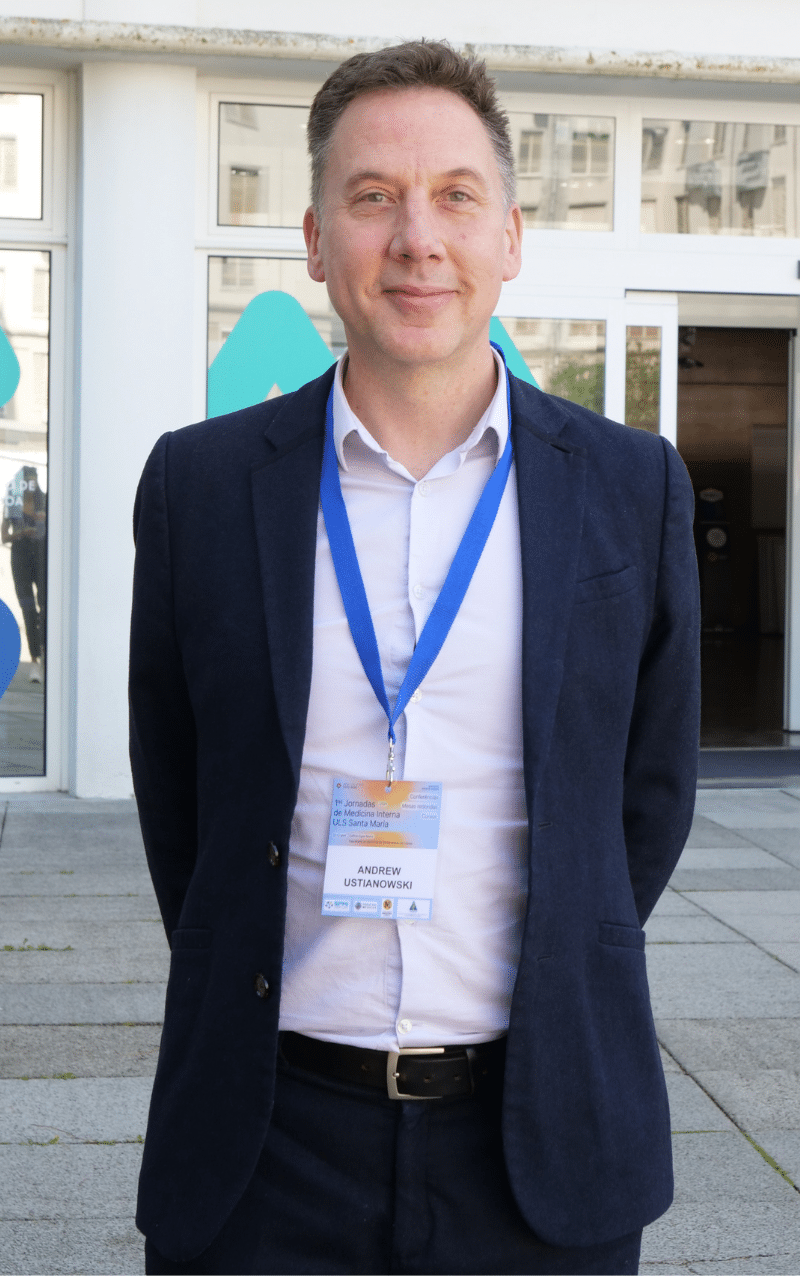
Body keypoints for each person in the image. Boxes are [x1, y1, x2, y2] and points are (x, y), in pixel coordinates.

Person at [130, 41, 699, 1276]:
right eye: (373, 196)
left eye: (453, 196)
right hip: (264, 1147)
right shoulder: (200, 489)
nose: (415, 239)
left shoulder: (627, 486)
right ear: (314, 238)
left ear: (509, 235)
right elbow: (183, 803)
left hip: (539, 1140)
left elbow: (645, 801)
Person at [2, 464, 46, 682]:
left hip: (40, 554)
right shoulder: (13, 503)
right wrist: (20, 533)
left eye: (33, 481)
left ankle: (45, 651)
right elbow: (4, 536)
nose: (30, 485)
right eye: (27, 481)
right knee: (28, 608)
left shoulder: (44, 501)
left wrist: (41, 521)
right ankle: (35, 660)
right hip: (20, 556)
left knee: (45, 605)